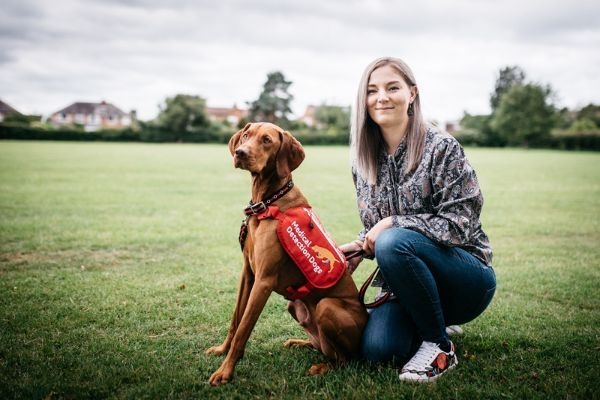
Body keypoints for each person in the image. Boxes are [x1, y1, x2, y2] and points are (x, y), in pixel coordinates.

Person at [339, 56, 496, 383]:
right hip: (404, 282)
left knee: (394, 240)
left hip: (467, 277)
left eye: (392, 88)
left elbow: (459, 223)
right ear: (363, 100)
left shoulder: (442, 147)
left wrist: (394, 224)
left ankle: (440, 345)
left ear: (412, 93)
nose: (381, 97)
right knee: (379, 350)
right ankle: (431, 319)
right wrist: (353, 249)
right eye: (372, 90)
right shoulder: (363, 160)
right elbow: (374, 227)